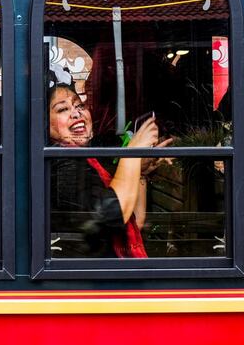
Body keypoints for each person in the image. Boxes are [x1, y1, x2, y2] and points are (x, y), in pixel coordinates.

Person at [48, 68, 171, 258]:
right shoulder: (61, 164)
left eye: (79, 105)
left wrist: (139, 172)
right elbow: (111, 216)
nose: (76, 114)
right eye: (63, 109)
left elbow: (135, 220)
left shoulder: (89, 160)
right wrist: (132, 153)